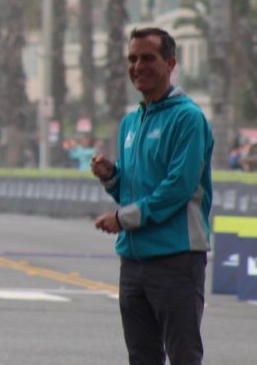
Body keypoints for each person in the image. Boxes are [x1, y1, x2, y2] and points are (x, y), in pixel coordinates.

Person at [90, 27, 213, 365]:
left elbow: (178, 187)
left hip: (176, 258)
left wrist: (122, 219)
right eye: (132, 59)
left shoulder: (188, 118)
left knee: (183, 355)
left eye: (148, 58)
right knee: (141, 356)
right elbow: (131, 190)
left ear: (170, 63)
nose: (138, 66)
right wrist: (111, 178)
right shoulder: (131, 122)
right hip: (133, 261)